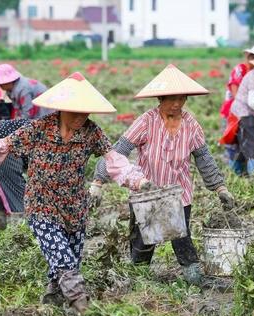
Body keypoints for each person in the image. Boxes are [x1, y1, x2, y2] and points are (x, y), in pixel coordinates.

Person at [0, 72, 150, 313]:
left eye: (85, 112)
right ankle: (81, 306)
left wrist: (139, 181)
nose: (80, 118)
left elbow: (114, 160)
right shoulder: (39, 128)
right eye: (75, 112)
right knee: (62, 258)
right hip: (41, 205)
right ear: (61, 109)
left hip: (74, 207)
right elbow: (0, 149)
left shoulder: (91, 132)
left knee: (70, 258)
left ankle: (52, 297)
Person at [92, 64, 235, 286]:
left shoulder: (191, 125)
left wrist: (220, 188)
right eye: (171, 99)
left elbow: (204, 158)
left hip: (179, 193)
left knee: (182, 237)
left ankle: (194, 279)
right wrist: (98, 181)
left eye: (181, 98)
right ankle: (138, 280)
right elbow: (117, 152)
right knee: (142, 242)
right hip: (147, 193)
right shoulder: (146, 121)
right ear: (160, 99)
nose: (177, 104)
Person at [220, 43, 254, 170]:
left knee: (244, 144)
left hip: (246, 113)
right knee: (233, 145)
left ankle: (242, 173)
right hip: (232, 112)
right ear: (250, 57)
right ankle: (235, 174)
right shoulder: (240, 70)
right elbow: (236, 95)